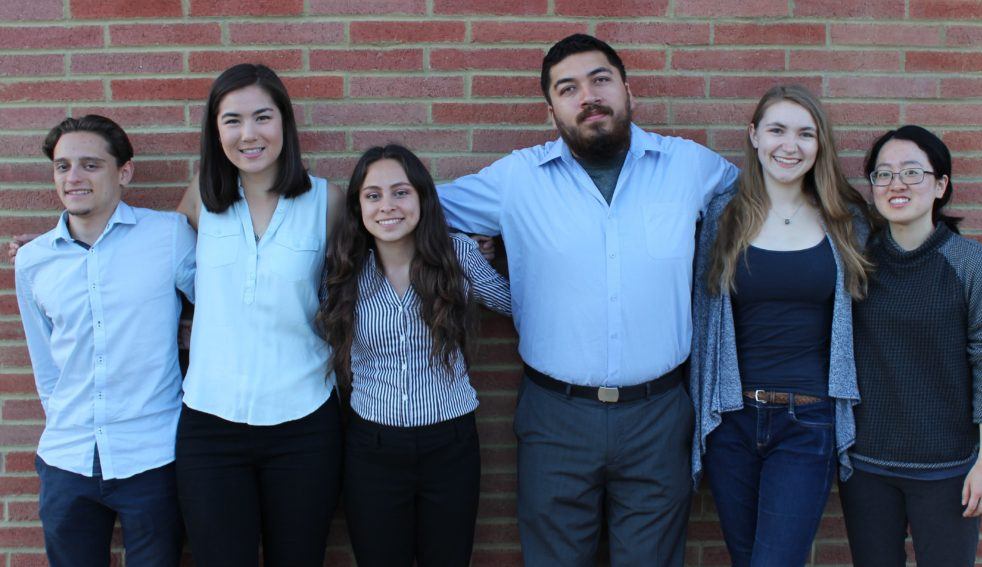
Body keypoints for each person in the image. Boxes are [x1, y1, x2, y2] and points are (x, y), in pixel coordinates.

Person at [438, 34, 738, 565]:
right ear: (550, 108)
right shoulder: (516, 180)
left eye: (600, 80)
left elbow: (768, 202)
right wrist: (468, 245)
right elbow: (416, 212)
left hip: (659, 414)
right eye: (568, 88)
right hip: (556, 416)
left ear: (627, 89)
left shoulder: (689, 166)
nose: (588, 96)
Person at [690, 85, 872, 566]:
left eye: (805, 134)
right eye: (776, 130)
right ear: (753, 136)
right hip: (730, 420)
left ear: (820, 145)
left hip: (808, 422)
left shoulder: (846, 221)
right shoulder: (721, 216)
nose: (789, 146)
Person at [173, 63, 344, 566]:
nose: (248, 134)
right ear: (215, 130)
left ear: (285, 125)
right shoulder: (201, 201)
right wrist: (64, 250)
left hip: (304, 421)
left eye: (262, 117)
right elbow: (146, 260)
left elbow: (371, 271)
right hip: (210, 422)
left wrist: (472, 251)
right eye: (232, 120)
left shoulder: (326, 202)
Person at [319, 144, 511, 566]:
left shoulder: (458, 258)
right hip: (372, 447)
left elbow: (518, 305)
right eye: (373, 195)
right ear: (359, 206)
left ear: (422, 197)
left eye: (400, 192)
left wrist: (508, 250)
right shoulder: (344, 270)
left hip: (451, 445)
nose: (387, 206)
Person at [15, 115, 194, 566]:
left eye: (90, 165)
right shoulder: (33, 261)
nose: (73, 178)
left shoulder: (168, 236)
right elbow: (44, 360)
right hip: (66, 460)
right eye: (62, 166)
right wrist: (63, 416)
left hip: (152, 456)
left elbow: (221, 311)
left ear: (124, 172)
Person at [839, 125, 982, 566]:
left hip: (948, 466)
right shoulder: (856, 261)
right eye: (884, 174)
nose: (897, 183)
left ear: (940, 185)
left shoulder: (972, 264)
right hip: (866, 465)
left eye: (912, 172)